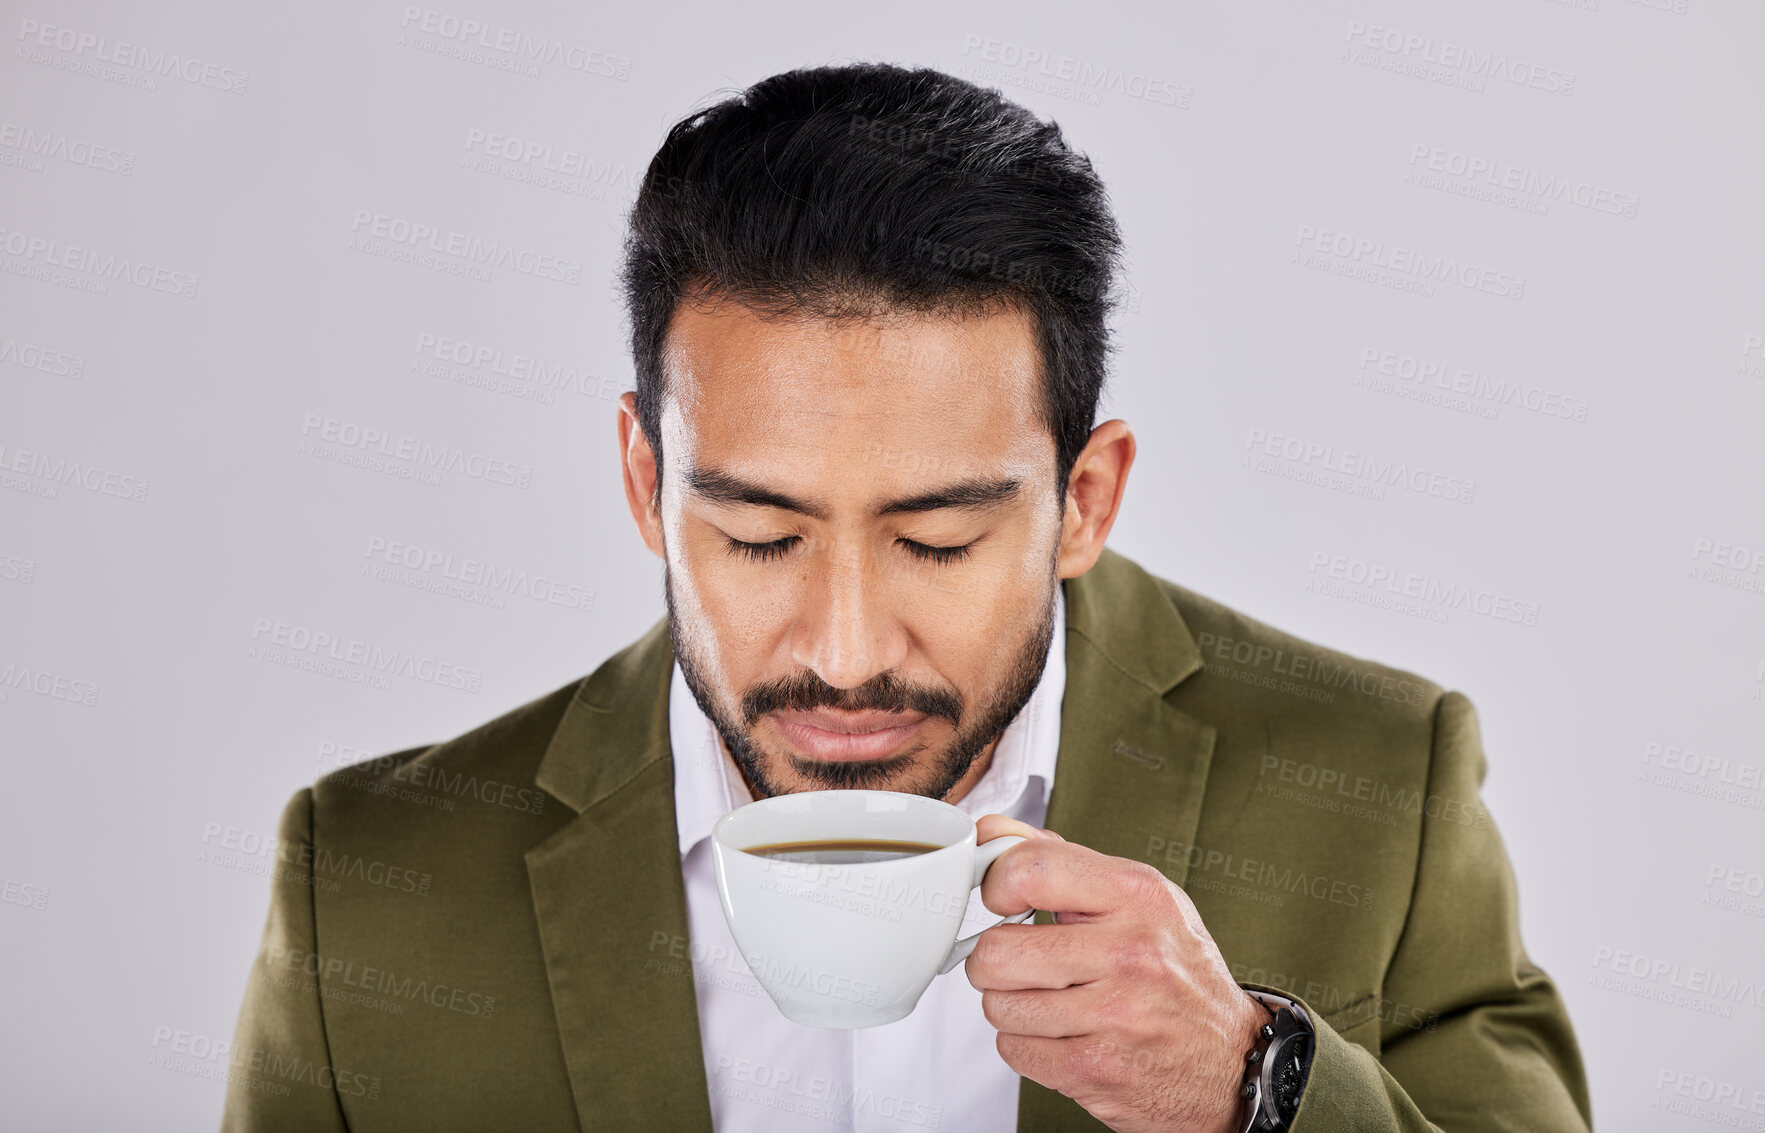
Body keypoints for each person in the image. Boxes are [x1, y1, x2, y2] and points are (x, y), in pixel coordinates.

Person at [222, 62, 1591, 1132]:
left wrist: (1260, 1085)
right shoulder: (371, 878)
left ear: (1084, 500)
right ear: (645, 482)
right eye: (759, 533)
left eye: (935, 538)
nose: (843, 648)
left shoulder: (1377, 784)